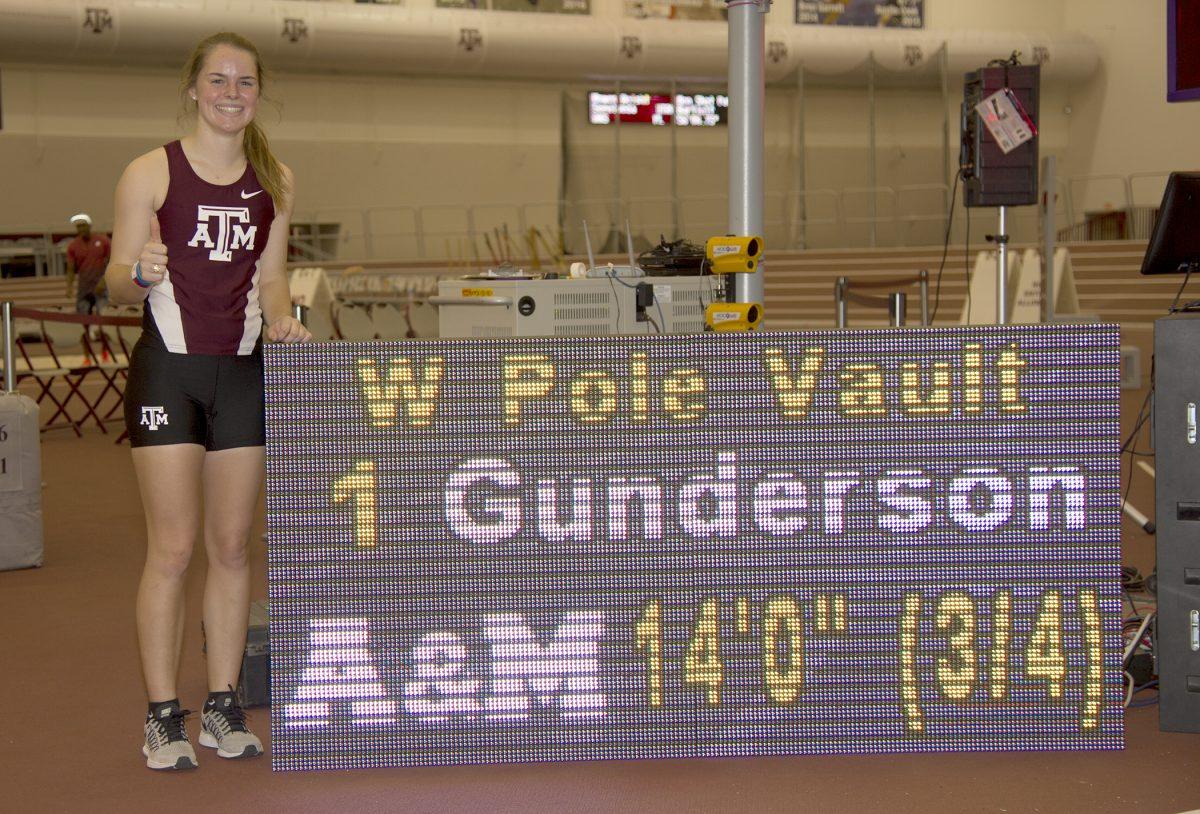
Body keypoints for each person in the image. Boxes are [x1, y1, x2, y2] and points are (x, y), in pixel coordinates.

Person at [103, 31, 311, 771]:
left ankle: (224, 703)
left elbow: (275, 275)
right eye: (218, 80)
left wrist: (283, 314)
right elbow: (115, 282)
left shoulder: (275, 180)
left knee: (231, 546)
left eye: (245, 82)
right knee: (175, 547)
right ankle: (164, 715)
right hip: (170, 374)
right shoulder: (149, 172)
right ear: (193, 88)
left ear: (259, 92)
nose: (231, 92)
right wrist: (141, 272)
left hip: (243, 374)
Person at [66, 212, 111, 315]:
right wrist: (69, 286)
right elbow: (70, 269)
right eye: (78, 227)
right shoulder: (73, 246)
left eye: (83, 226)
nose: (81, 229)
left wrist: (104, 281)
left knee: (103, 312)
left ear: (89, 226)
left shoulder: (103, 241)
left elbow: (111, 262)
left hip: (100, 283)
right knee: (82, 313)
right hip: (84, 286)